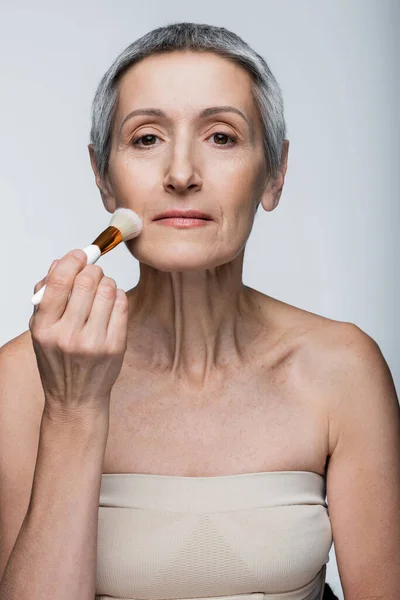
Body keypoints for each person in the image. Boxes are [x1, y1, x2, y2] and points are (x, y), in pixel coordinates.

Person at [1, 21, 399, 600]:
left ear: (275, 173)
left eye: (221, 137)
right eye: (145, 139)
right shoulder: (21, 378)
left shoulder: (343, 368)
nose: (181, 174)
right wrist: (74, 408)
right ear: (102, 179)